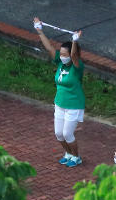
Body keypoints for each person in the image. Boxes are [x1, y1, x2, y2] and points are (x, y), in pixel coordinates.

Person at [33, 19, 85, 166]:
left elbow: (74, 56)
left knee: (68, 134)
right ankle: (68, 153)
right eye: (61, 54)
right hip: (60, 103)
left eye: (64, 54)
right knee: (58, 134)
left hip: (74, 105)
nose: (62, 56)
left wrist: (74, 41)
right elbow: (49, 47)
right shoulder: (59, 62)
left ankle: (76, 157)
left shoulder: (77, 66)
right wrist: (39, 30)